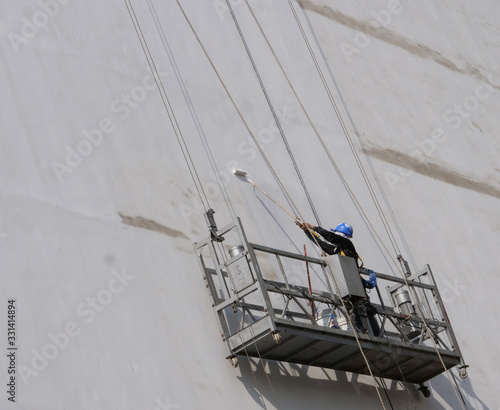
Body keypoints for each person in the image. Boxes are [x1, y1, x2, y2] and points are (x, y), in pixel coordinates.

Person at [296, 220, 380, 336]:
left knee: (367, 317)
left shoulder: (348, 246)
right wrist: (307, 231)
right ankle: (363, 336)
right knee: (355, 318)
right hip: (349, 292)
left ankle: (376, 337)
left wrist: (313, 227)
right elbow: (321, 243)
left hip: (357, 291)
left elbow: (330, 237)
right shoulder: (337, 250)